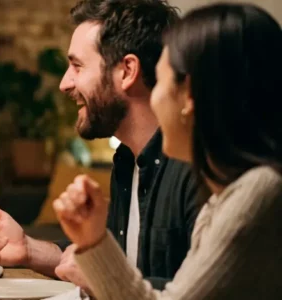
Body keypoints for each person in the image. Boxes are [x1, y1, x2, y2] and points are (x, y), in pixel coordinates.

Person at [0, 0, 203, 291]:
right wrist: (27, 248)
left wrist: (102, 276)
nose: (64, 83)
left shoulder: (200, 169)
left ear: (127, 71)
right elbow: (120, 267)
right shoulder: (127, 161)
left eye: (77, 65)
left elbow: (204, 292)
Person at [55, 3, 282, 298]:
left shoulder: (259, 190)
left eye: (160, 80)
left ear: (188, 96)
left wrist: (96, 245)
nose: (153, 100)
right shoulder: (228, 194)